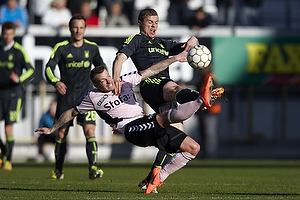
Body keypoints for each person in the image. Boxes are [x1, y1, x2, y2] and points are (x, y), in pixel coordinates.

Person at [35, 51, 224, 193]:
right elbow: (71, 112)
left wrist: (175, 58)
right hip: (132, 129)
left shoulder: (124, 82)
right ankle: (201, 100)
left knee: (193, 148)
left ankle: (156, 180)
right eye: (103, 81)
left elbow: (152, 70)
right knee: (163, 118)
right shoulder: (92, 97)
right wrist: (53, 128)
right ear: (96, 85)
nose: (109, 82)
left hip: (145, 122)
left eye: (108, 77)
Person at [112, 8, 201, 192]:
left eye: (156, 22)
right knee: (174, 87)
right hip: (151, 84)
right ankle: (198, 98)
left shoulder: (162, 43)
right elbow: (120, 58)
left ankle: (151, 179)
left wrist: (193, 40)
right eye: (150, 22)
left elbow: (188, 46)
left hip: (164, 89)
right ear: (140, 23)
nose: (153, 26)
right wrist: (115, 79)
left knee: (177, 141)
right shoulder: (136, 40)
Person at [44, 15, 106, 180]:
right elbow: (48, 68)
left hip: (87, 98)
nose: (78, 31)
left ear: (85, 29)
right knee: (61, 133)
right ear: (70, 29)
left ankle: (93, 168)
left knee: (89, 131)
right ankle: (58, 171)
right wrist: (56, 82)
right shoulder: (61, 47)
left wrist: (103, 85)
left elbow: (102, 68)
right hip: (66, 98)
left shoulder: (92, 48)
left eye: (81, 27)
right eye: (75, 27)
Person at [0, 21, 35, 171]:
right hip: (0, 92)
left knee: (8, 129)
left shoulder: (19, 51)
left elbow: (31, 70)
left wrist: (19, 79)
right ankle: (4, 153)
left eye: (10, 34)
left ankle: (8, 160)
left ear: (14, 34)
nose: (7, 37)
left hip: (14, 94)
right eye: (5, 34)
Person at [197, 69, 222, 159]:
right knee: (204, 133)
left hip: (211, 111)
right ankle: (205, 154)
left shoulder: (210, 77)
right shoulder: (203, 78)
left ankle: (210, 155)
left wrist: (208, 105)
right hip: (204, 111)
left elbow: (216, 93)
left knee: (209, 134)